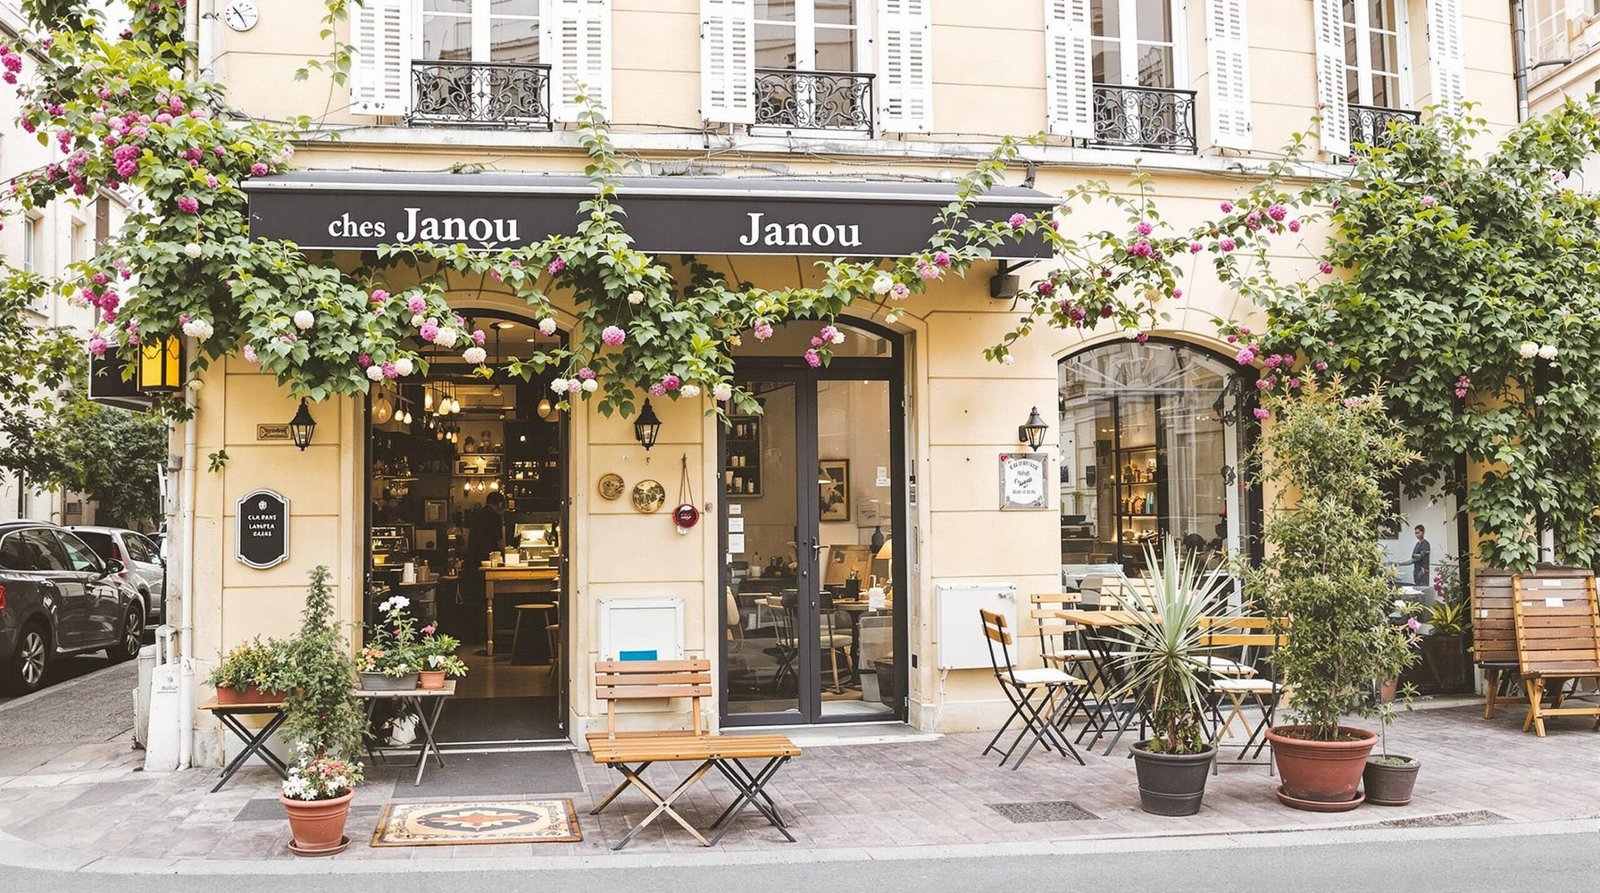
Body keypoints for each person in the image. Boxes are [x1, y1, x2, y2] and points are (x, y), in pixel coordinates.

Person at [461, 493, 506, 644]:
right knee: (489, 601)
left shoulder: (475, 515)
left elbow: (466, 537)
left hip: (473, 561)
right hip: (489, 559)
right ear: (499, 504)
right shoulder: (495, 517)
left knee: (478, 598)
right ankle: (491, 635)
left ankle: (477, 635)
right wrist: (505, 553)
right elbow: (499, 540)